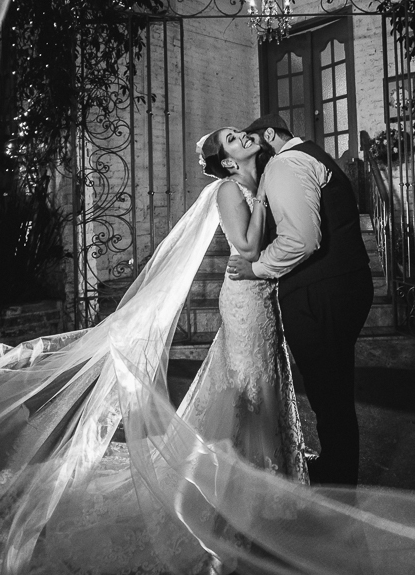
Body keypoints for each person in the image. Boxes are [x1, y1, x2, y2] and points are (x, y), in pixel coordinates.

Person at [29, 127, 307, 574]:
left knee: (267, 381)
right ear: (230, 162)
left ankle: (270, 479)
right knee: (248, 389)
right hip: (244, 301)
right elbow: (249, 247)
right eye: (234, 139)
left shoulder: (264, 180)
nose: (244, 134)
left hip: (265, 297)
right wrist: (264, 203)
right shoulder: (229, 192)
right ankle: (239, 488)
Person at [226, 114, 373, 486]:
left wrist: (256, 271)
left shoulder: (284, 164)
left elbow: (302, 240)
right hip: (339, 285)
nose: (252, 151)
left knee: (329, 392)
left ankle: (339, 481)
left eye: (252, 140)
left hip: (320, 293)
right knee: (333, 388)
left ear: (270, 137)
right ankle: (339, 468)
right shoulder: (311, 156)